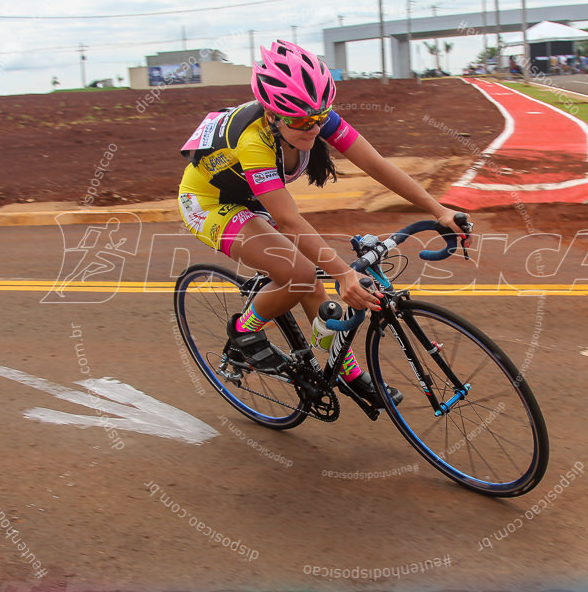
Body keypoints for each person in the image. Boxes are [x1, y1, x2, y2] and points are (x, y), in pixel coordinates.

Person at [177, 40, 468, 407]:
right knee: (300, 273)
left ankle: (346, 373)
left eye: (319, 117)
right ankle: (243, 332)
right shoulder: (253, 141)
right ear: (272, 114)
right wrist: (345, 274)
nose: (313, 128)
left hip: (251, 196)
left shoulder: (312, 115)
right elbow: (287, 219)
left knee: (311, 282)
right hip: (209, 202)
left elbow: (377, 165)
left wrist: (438, 210)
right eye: (300, 121)